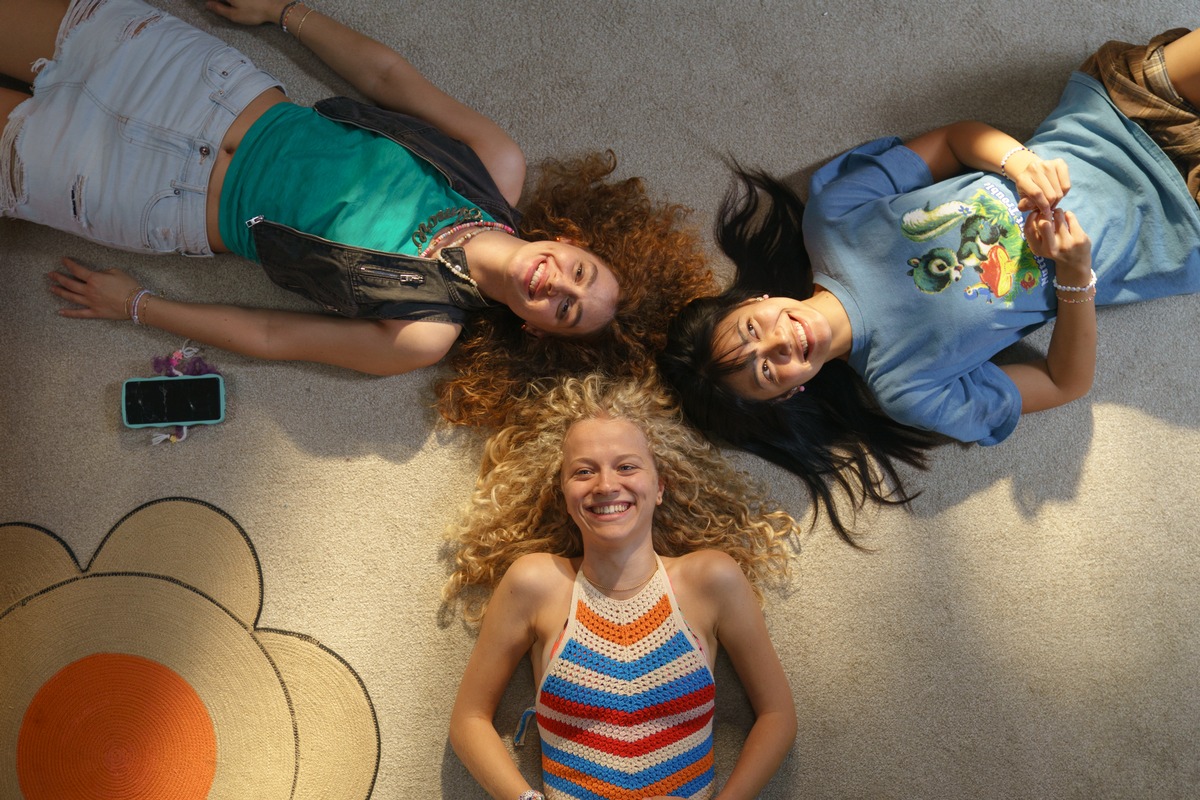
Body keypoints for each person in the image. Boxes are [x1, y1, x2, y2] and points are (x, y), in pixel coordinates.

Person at [2, 0, 713, 399]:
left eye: (566, 311)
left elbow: (272, 335)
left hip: (150, 198)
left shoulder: (423, 335)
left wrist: (137, 305)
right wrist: (280, 10)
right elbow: (387, 78)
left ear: (539, 332)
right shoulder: (496, 163)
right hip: (205, 88)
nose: (559, 285)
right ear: (571, 242)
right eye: (581, 274)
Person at [658, 28, 1200, 544]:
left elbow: (954, 140)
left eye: (751, 331)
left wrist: (1019, 161)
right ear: (786, 394)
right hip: (1172, 229)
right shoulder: (908, 391)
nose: (778, 343)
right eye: (765, 371)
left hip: (1113, 113)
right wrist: (1076, 276)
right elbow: (1064, 383)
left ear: (752, 301)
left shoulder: (832, 219)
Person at [445, 374, 798, 800]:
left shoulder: (712, 580)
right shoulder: (535, 583)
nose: (607, 485)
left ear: (660, 486)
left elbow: (778, 716)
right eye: (583, 471)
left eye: (627, 466)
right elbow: (469, 720)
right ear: (563, 493)